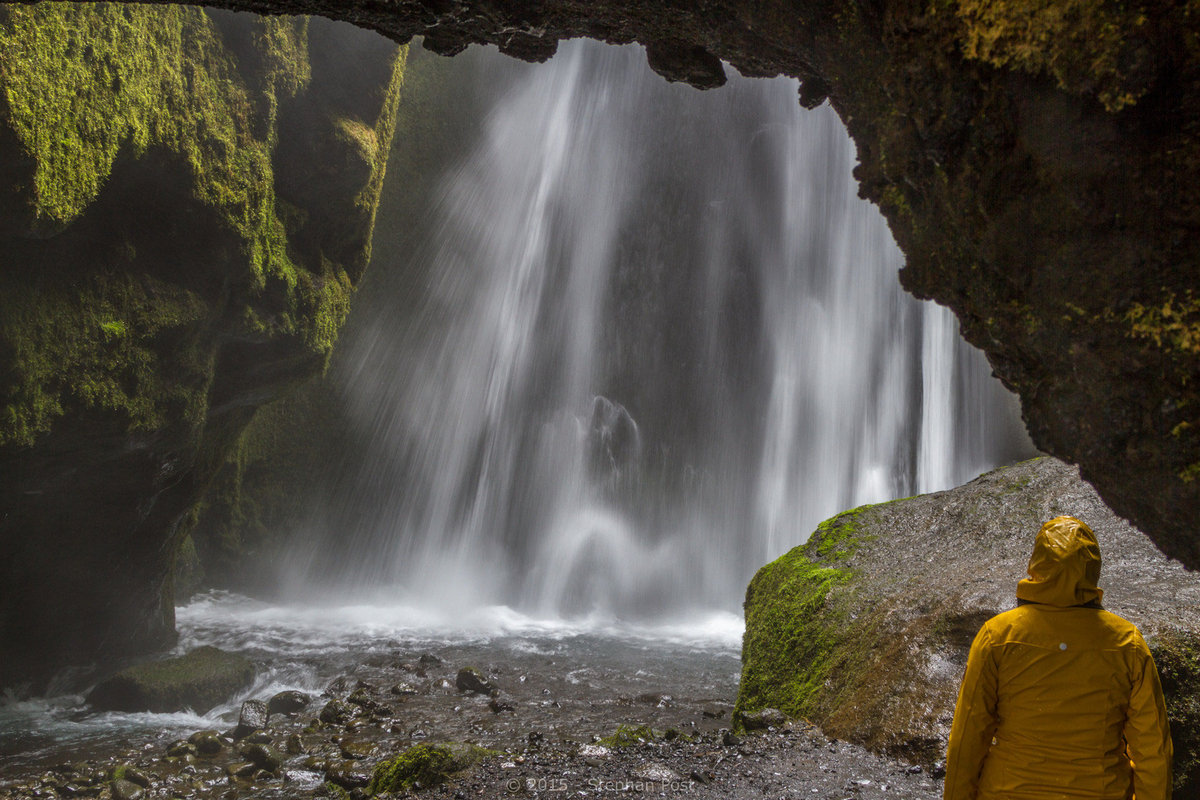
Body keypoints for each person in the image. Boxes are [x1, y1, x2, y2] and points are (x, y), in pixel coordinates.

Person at [943, 515, 1173, 800]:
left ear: (1036, 565)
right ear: (1093, 569)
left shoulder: (997, 636)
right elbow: (1154, 751)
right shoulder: (1127, 643)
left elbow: (967, 739)